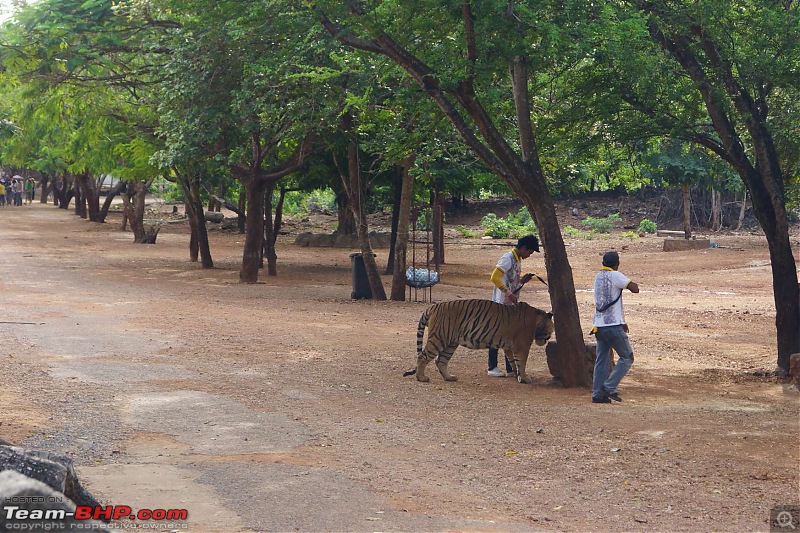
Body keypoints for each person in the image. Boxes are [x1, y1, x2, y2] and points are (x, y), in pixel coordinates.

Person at [487, 234, 541, 377]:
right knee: (497, 334)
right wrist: (507, 292)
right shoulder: (507, 259)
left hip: (510, 305)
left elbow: (512, 281)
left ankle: (510, 368)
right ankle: (492, 367)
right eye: (529, 252)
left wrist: (523, 281)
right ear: (523, 248)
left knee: (508, 336)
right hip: (501, 304)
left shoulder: (517, 260)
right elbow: (494, 277)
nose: (529, 255)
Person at [591, 251, 639, 403]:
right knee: (627, 357)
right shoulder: (616, 276)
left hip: (599, 325)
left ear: (603, 263)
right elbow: (635, 288)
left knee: (602, 360)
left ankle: (597, 394)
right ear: (617, 263)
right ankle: (609, 387)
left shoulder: (598, 277)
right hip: (612, 326)